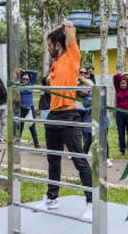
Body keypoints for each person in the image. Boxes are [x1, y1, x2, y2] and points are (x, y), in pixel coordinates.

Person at [39, 21, 94, 220]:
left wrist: (66, 26)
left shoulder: (72, 57)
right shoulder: (55, 65)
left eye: (49, 44)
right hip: (53, 115)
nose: (48, 48)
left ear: (58, 44)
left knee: (79, 159)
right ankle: (52, 198)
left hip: (69, 115)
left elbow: (71, 33)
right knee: (53, 159)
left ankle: (91, 202)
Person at [113, 72, 128, 155]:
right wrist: (122, 75)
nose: (122, 84)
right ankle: (122, 150)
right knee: (121, 132)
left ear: (127, 83)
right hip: (120, 113)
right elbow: (116, 76)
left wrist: (126, 74)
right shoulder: (117, 89)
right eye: (121, 83)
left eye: (124, 83)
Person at [15, 70, 40, 149]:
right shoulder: (19, 84)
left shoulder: (31, 84)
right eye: (23, 79)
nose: (25, 80)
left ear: (29, 79)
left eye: (27, 79)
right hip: (22, 108)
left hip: (30, 108)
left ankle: (37, 145)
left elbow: (35, 73)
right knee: (20, 127)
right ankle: (18, 143)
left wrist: (25, 71)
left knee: (32, 127)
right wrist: (21, 73)